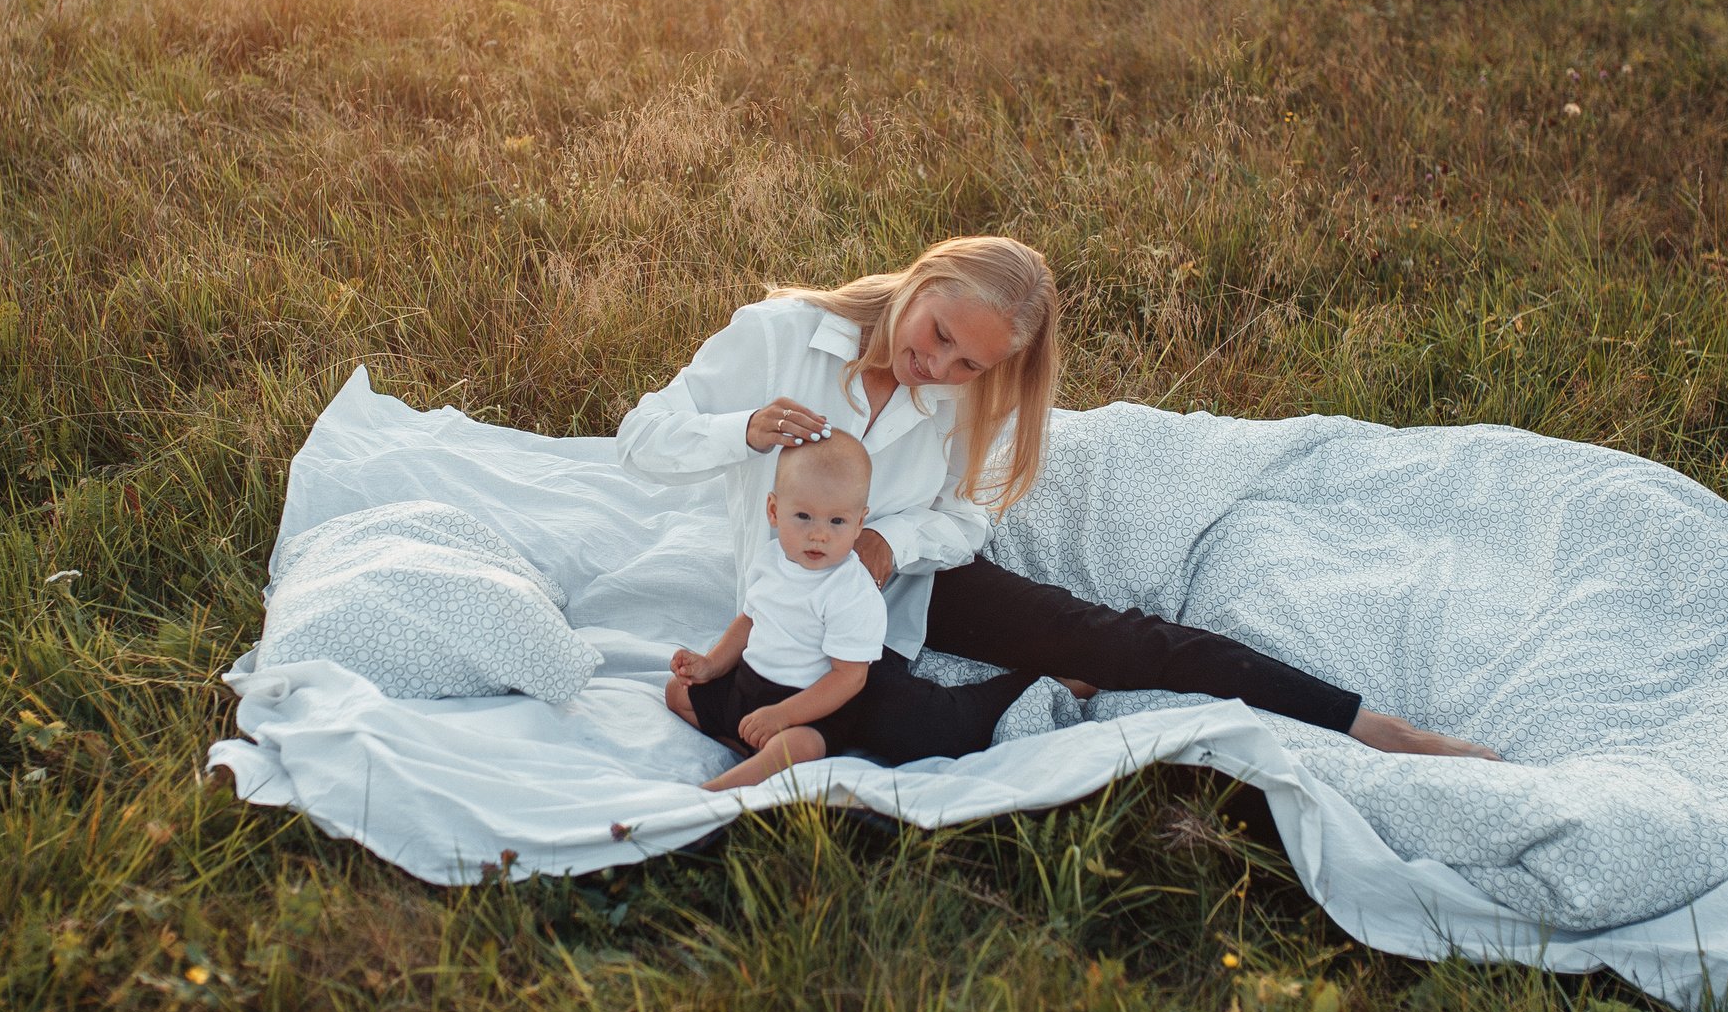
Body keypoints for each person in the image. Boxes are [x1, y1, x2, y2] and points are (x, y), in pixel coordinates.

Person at [617, 235, 1499, 760]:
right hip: (799, 596)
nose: (940, 367)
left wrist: (896, 547)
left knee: (1116, 638)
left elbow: (967, 516)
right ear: (922, 281)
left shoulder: (964, 396)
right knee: (882, 728)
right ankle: (1032, 687)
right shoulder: (777, 337)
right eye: (938, 336)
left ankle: (1371, 724)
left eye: (971, 363)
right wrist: (744, 432)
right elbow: (641, 437)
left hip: (911, 581)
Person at [665, 432, 1050, 791]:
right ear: (773, 510)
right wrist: (712, 665)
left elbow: (848, 679)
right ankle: (746, 745)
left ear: (859, 523)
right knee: (676, 693)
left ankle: (717, 791)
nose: (820, 534)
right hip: (749, 686)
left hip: (810, 707)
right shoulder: (770, 561)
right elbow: (749, 620)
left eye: (837, 521)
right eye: (803, 517)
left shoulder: (851, 591)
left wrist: (783, 715)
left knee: (798, 746)